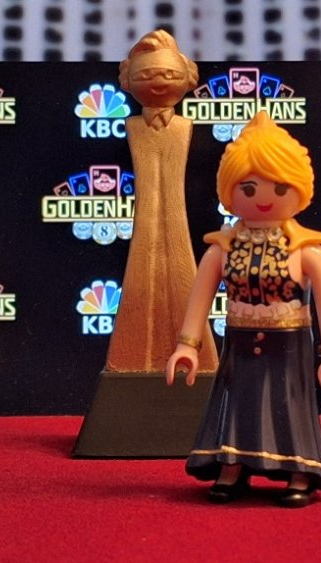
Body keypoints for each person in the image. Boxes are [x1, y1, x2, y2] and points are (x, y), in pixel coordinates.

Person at [165, 112, 321, 508]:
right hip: (239, 342)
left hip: (289, 346)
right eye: (248, 188)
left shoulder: (307, 250)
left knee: (291, 404)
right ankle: (232, 465)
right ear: (229, 191)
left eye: (280, 187)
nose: (263, 198)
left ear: (299, 189)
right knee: (237, 402)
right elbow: (199, 299)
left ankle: (299, 470)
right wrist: (187, 346)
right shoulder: (221, 249)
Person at [108, 29, 219, 373]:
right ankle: (131, 354)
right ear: (128, 80)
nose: (158, 82)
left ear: (187, 78)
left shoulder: (185, 127)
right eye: (146, 76)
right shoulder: (134, 127)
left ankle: (193, 352)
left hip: (178, 226)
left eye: (169, 74)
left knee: (182, 277)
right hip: (144, 231)